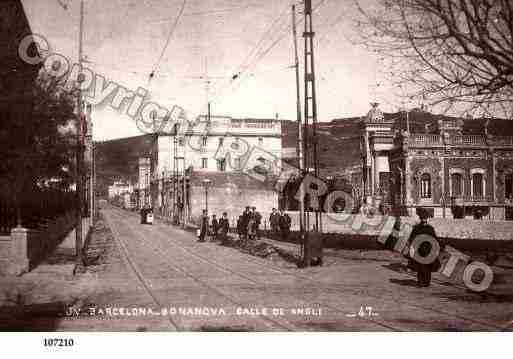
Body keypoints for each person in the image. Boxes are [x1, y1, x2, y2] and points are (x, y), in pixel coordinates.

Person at [408, 208, 441, 287]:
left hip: (428, 250)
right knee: (420, 266)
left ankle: (426, 282)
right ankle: (420, 281)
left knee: (427, 266)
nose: (424, 220)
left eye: (425, 218)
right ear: (420, 219)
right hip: (419, 250)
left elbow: (435, 239)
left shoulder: (430, 228)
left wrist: (436, 249)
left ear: (427, 219)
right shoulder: (416, 228)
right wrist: (412, 247)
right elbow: (412, 238)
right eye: (422, 218)